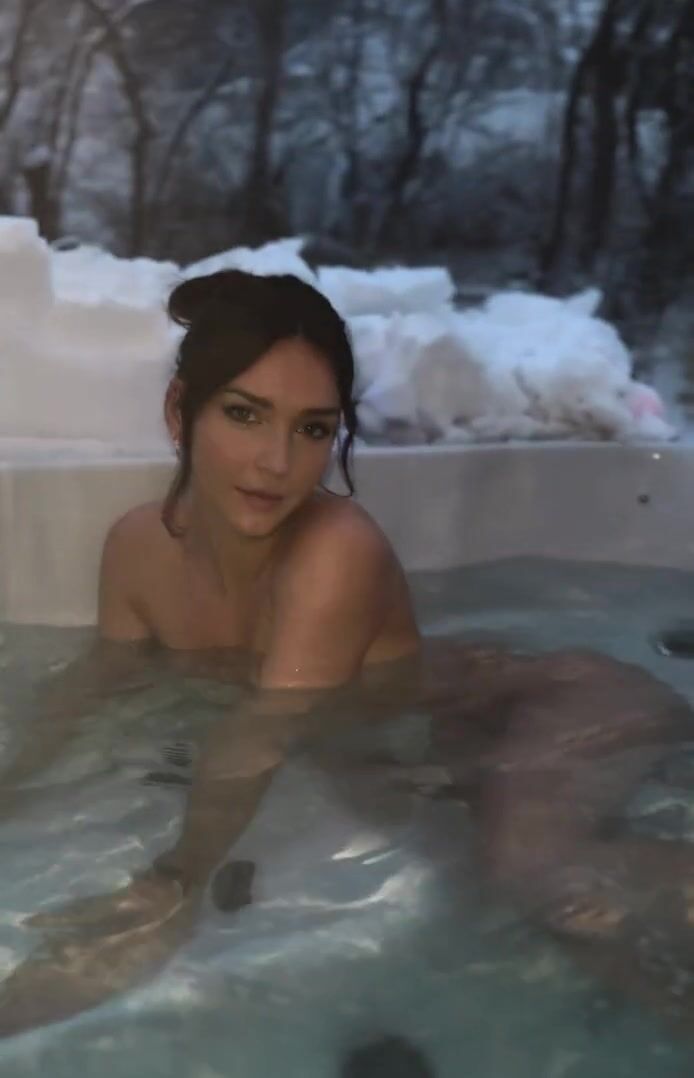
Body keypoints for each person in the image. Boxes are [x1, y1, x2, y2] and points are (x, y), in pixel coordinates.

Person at [0, 270, 693, 1039]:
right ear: (178, 411)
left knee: (530, 868)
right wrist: (14, 789)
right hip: (436, 745)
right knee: (529, 895)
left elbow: (265, 727)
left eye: (311, 429)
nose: (276, 461)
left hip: (553, 708)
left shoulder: (335, 552)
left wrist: (174, 883)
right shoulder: (137, 546)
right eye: (244, 414)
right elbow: (99, 682)